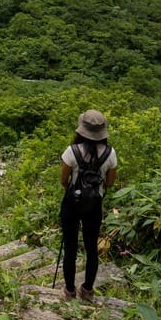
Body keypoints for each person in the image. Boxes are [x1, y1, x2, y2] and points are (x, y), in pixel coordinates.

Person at [59, 109, 117, 301]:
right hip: (94, 205)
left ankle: (69, 291)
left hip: (72, 203)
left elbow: (63, 180)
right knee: (91, 247)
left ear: (81, 130)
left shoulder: (72, 151)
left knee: (70, 247)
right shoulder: (110, 153)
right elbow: (109, 183)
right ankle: (88, 290)